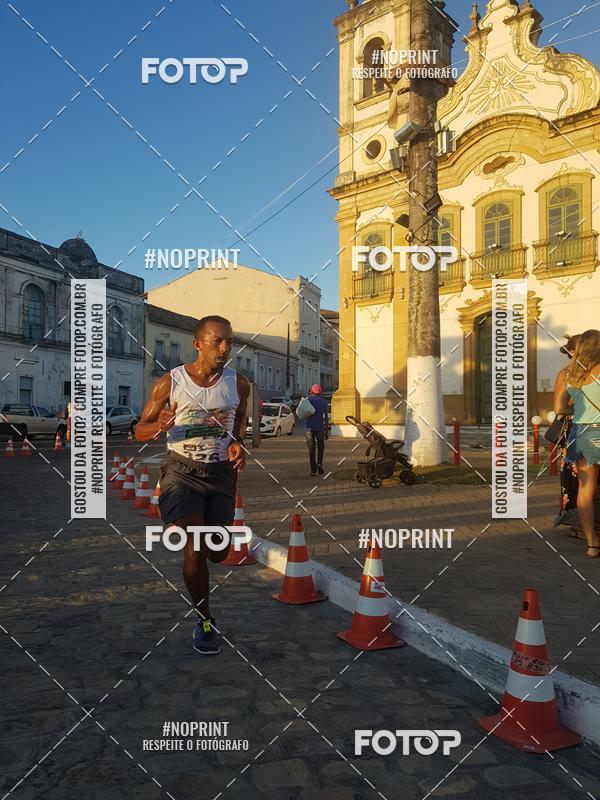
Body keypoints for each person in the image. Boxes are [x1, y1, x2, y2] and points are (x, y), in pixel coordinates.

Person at [135, 316, 250, 653]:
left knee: (218, 551)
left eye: (229, 341)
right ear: (198, 344)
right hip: (181, 472)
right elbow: (139, 429)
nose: (225, 348)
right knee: (196, 545)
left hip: (221, 474)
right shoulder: (170, 383)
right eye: (217, 341)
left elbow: (240, 420)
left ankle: (211, 562)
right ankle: (205, 620)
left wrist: (238, 443)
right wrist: (159, 426)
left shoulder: (239, 383)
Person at [554, 329, 600, 558]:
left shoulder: (569, 374)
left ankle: (592, 544)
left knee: (585, 490)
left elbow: (559, 409)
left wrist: (579, 409)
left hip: (581, 433)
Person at [552, 335, 580, 528]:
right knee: (573, 475)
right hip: (574, 431)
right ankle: (574, 516)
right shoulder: (566, 374)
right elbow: (559, 408)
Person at [304, 384, 328, 476]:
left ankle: (313, 470)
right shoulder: (324, 402)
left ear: (311, 391)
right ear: (320, 392)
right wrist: (326, 431)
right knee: (321, 447)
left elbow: (302, 412)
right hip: (319, 428)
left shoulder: (308, 400)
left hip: (308, 428)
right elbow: (326, 417)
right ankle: (319, 463)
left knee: (311, 450)